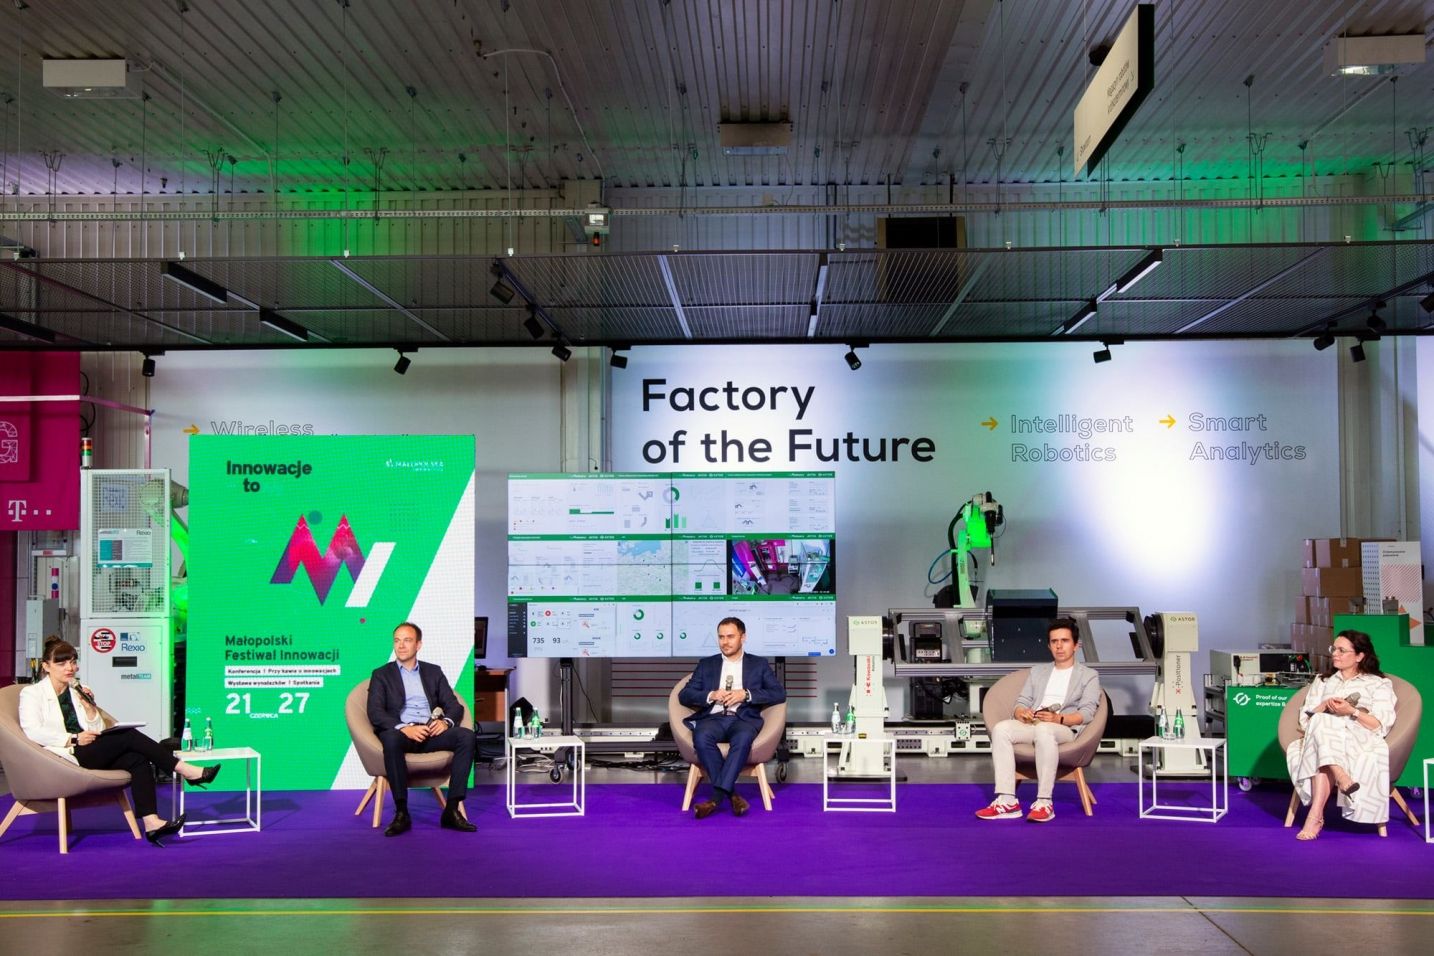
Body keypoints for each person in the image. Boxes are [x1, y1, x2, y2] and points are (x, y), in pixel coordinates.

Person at [19, 638, 219, 846]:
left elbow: (97, 728)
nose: (69, 668)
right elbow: (32, 731)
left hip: (88, 748)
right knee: (128, 735)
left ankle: (152, 823)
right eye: (61, 663)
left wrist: (90, 710)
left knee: (137, 759)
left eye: (73, 662)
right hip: (62, 756)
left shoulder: (78, 689)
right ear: (46, 666)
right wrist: (73, 738)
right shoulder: (32, 693)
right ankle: (185, 770)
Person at [976, 616, 1101, 823]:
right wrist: (1021, 713)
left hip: (1063, 728)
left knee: (1045, 730)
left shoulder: (1089, 675)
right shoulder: (1038, 671)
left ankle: (1044, 802)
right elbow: (1021, 701)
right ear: (1049, 646)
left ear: (1076, 645)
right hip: (1033, 723)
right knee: (1001, 729)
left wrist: (1058, 718)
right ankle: (1007, 801)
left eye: (1064, 640)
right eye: (1054, 641)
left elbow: (1087, 713)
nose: (1059, 646)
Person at [367, 621, 477, 836]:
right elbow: (375, 712)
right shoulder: (381, 674)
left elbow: (454, 706)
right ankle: (401, 813)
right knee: (390, 738)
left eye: (407, 640)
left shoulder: (433, 672)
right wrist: (403, 728)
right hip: (402, 734)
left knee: (466, 736)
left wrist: (445, 722)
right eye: (397, 640)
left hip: (430, 732)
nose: (401, 645)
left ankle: (452, 809)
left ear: (418, 645)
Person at [1286, 629, 1396, 841]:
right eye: (1333, 649)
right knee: (1321, 722)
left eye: (1341, 650)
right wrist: (1323, 706)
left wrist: (1351, 711)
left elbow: (1380, 724)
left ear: (1359, 656)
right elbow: (1305, 721)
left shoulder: (1379, 683)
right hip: (1324, 736)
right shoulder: (1323, 681)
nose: (1334, 654)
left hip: (1358, 737)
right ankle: (1341, 778)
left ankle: (1315, 817)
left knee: (1320, 736)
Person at [678, 616, 786, 819]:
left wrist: (746, 694)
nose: (725, 642)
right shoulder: (707, 664)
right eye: (721, 637)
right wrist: (711, 695)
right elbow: (684, 695)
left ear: (743, 637)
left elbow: (778, 693)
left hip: (743, 719)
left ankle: (714, 800)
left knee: (743, 738)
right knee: (701, 737)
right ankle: (733, 795)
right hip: (713, 718)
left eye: (730, 637)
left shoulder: (758, 664)